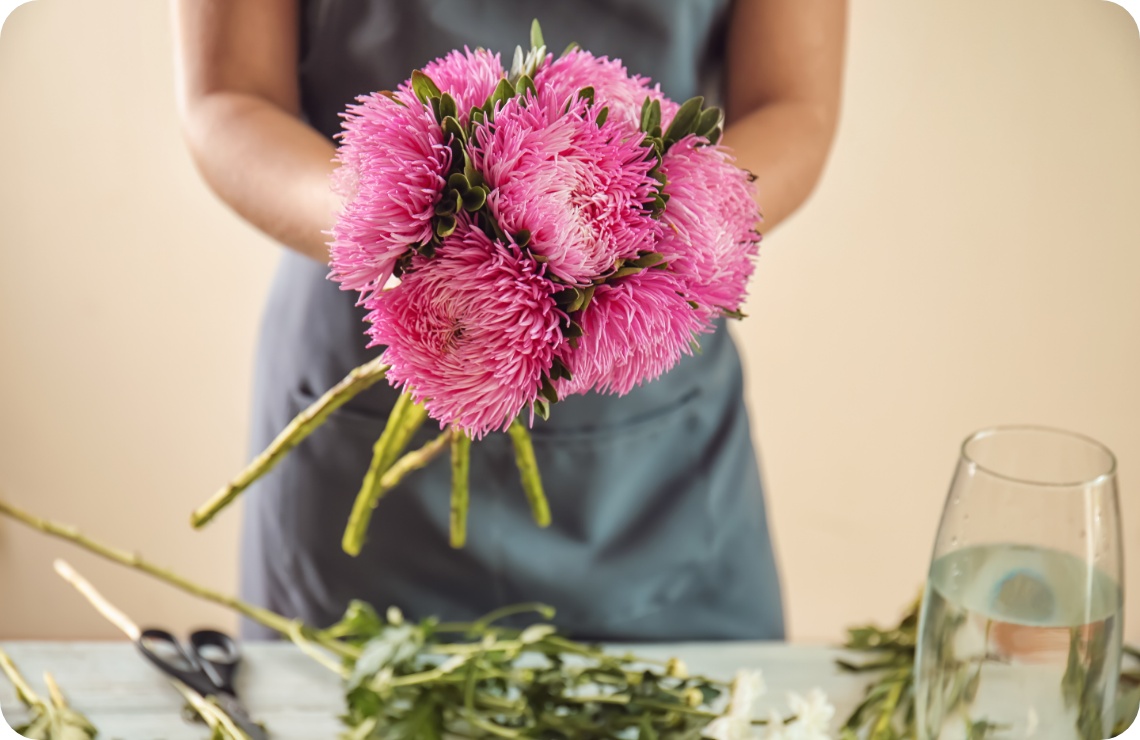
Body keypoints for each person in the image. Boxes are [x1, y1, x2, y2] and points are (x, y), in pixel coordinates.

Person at [172, 0, 846, 641]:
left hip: (653, 439)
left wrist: (648, 246)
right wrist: (400, 231)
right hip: (365, 363)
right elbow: (229, 96)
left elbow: (793, 105)